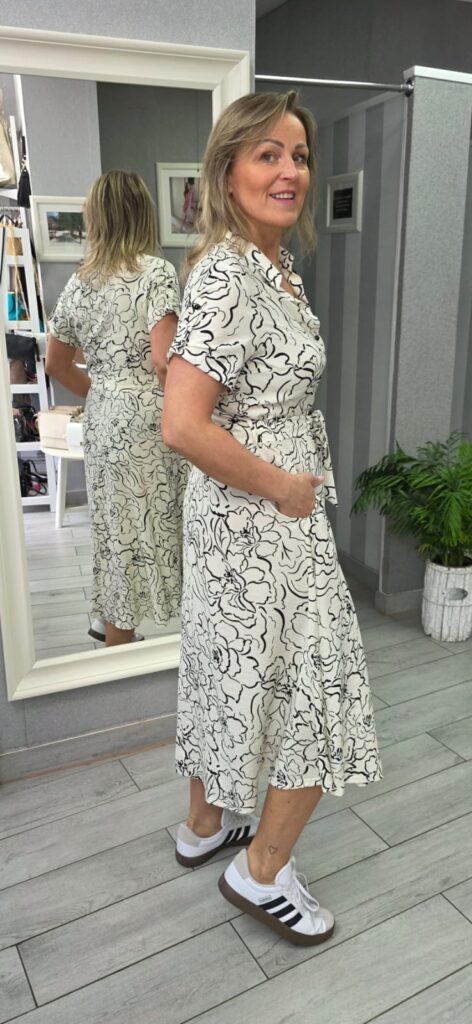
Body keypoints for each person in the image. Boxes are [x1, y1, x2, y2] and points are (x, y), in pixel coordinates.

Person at [162, 90, 383, 947]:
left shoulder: (270, 264)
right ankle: (261, 872)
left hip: (252, 516)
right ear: (228, 171)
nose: (290, 171)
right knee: (323, 687)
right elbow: (182, 425)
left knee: (232, 668)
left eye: (299, 156)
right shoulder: (228, 272)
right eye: (268, 155)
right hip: (261, 517)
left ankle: (204, 828)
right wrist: (285, 489)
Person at [46, 170, 187, 647]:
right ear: (142, 212)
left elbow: (55, 363)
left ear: (96, 218)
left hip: (104, 418)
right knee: (165, 523)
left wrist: (104, 392)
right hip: (150, 418)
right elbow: (163, 362)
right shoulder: (156, 272)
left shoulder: (80, 281)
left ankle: (115, 638)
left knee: (116, 533)